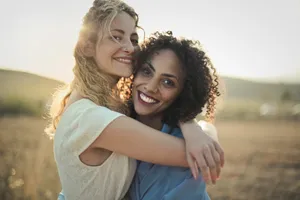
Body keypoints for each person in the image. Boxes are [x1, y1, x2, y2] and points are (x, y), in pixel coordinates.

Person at [45, 1, 224, 200]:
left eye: (133, 38)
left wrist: (190, 123)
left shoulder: (104, 108)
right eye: (116, 37)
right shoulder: (90, 118)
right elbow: (199, 155)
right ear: (87, 47)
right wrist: (196, 126)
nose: (130, 48)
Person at [129, 31, 220, 200]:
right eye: (147, 71)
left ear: (183, 92)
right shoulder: (115, 119)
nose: (150, 87)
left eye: (167, 82)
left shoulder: (190, 152)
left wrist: (190, 124)